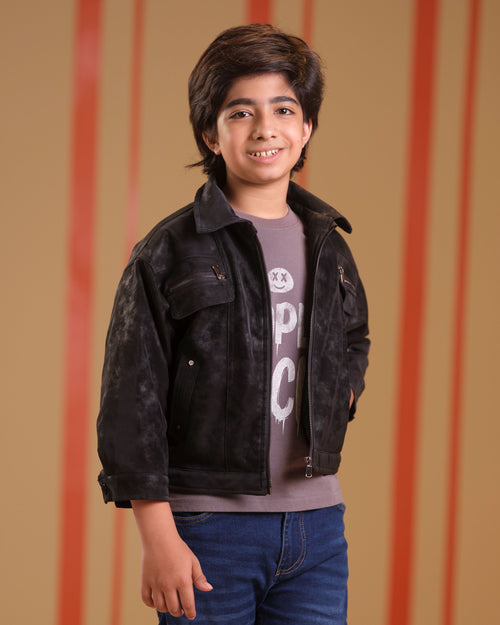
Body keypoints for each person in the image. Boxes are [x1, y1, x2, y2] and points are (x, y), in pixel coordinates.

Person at [97, 24, 370, 625]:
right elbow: (130, 401)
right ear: (210, 134)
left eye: (284, 109)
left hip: (319, 526)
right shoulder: (168, 251)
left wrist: (340, 397)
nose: (265, 128)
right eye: (241, 112)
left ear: (306, 128)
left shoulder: (329, 244)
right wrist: (158, 537)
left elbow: (353, 339)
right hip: (207, 529)